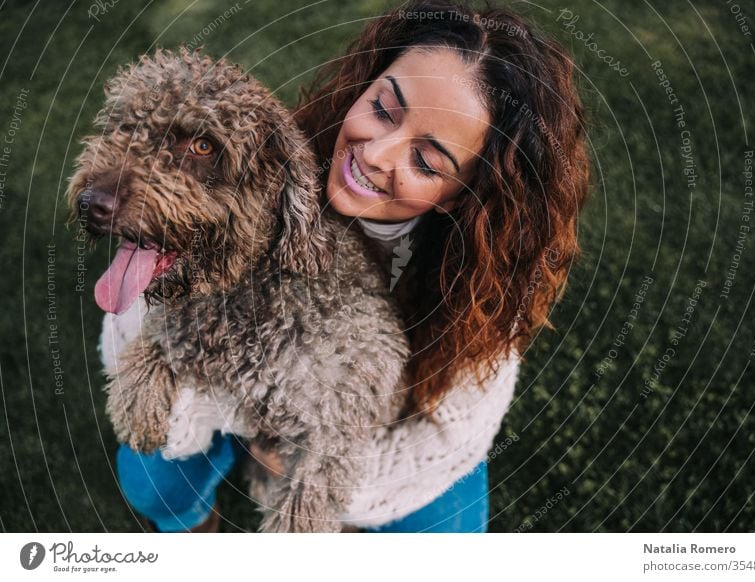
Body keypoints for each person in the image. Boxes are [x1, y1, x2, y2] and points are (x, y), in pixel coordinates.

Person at [116, 0, 590, 533]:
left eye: (427, 161)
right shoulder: (259, 158)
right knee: (149, 475)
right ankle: (192, 522)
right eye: (385, 109)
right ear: (366, 81)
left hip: (374, 435)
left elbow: (446, 437)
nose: (377, 154)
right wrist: (247, 415)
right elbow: (133, 320)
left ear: (463, 194)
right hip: (229, 378)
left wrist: (316, 459)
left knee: (444, 539)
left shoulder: (479, 290)